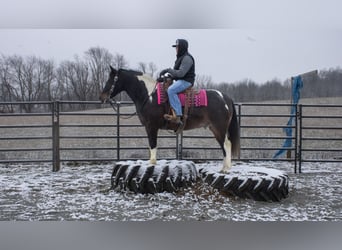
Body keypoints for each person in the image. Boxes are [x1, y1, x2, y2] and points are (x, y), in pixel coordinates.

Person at [159, 39, 196, 128]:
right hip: (181, 80)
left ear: (182, 47)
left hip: (187, 81)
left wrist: (168, 70)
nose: (176, 49)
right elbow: (176, 74)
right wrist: (166, 77)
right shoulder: (181, 57)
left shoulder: (187, 58)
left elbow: (181, 73)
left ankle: (177, 115)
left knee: (171, 90)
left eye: (177, 47)